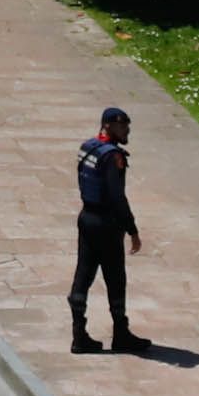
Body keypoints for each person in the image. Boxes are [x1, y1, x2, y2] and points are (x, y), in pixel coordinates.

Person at [70, 108, 141, 355]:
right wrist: (132, 229)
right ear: (109, 126)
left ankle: (79, 334)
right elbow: (117, 197)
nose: (127, 131)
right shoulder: (113, 157)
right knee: (115, 279)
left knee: (83, 275)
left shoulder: (87, 147)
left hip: (87, 218)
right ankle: (121, 334)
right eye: (123, 127)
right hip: (107, 224)